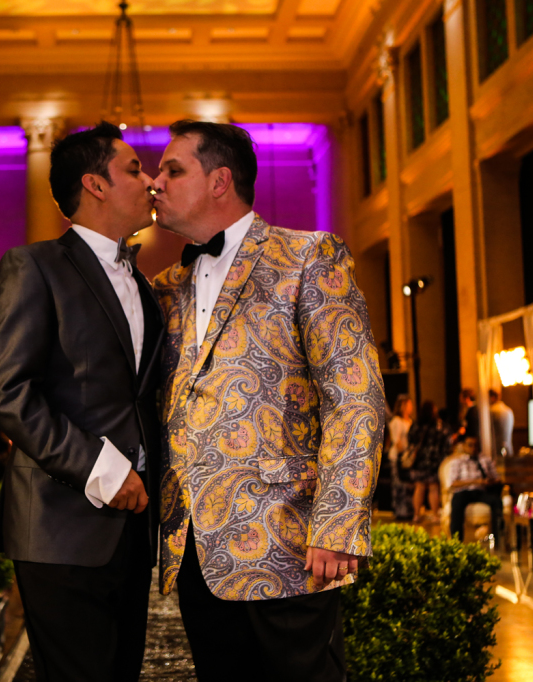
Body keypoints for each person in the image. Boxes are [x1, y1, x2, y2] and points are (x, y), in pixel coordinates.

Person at [151, 120, 385, 682]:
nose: (156, 182)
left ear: (219, 180)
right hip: (194, 553)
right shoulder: (165, 286)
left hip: (289, 541)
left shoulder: (309, 257)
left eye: (172, 169)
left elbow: (356, 395)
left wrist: (337, 525)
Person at [0, 122, 163, 682]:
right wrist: (103, 466)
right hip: (59, 524)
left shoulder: (143, 281)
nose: (150, 180)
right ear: (96, 184)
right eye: (134, 168)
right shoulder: (32, 265)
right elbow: (3, 390)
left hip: (133, 526)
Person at [447, 435, 503, 545]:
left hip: (481, 491)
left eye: (475, 446)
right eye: (470, 445)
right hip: (463, 491)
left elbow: (497, 478)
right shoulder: (457, 461)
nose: (473, 448)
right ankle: (456, 542)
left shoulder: (485, 460)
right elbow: (452, 483)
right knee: (457, 503)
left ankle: (498, 539)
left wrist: (490, 481)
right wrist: (476, 481)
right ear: (464, 446)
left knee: (496, 501)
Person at [406, 400, 446, 524]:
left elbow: (410, 438)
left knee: (419, 487)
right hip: (433, 459)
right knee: (433, 488)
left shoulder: (416, 424)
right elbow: (444, 440)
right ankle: (435, 515)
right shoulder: (438, 425)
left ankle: (416, 514)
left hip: (419, 460)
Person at [388, 395, 414, 520]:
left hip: (408, 457)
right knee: (399, 484)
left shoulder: (409, 421)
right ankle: (399, 511)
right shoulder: (396, 421)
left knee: (408, 485)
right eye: (409, 405)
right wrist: (404, 453)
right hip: (398, 457)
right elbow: (396, 440)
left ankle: (408, 509)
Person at [488, 389, 514, 457]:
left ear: (492, 397)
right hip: (509, 447)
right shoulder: (508, 410)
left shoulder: (492, 411)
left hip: (497, 449)